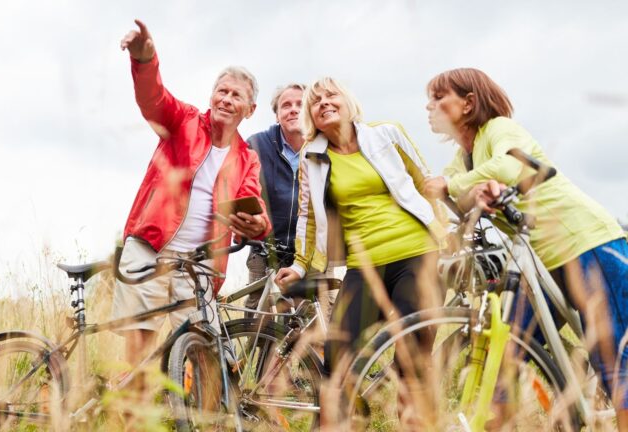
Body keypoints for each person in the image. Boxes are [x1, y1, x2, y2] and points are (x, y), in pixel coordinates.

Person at [423, 67, 628, 429]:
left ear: (469, 103)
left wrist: (453, 186)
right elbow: (466, 198)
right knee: (508, 348)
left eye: (439, 97)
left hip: (585, 240)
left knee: (610, 352)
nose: (429, 106)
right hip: (538, 261)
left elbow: (506, 166)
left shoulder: (501, 129)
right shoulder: (462, 158)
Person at [115, 19, 271, 368]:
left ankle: (205, 422)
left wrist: (257, 224)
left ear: (250, 109)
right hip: (152, 250)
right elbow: (153, 99)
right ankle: (131, 417)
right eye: (222, 91)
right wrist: (145, 62)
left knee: (210, 359)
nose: (226, 99)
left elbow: (254, 205)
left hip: (198, 265)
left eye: (236, 95)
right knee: (139, 354)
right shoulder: (183, 120)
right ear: (211, 96)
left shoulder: (247, 157)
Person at [274, 77, 444, 374]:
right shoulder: (311, 157)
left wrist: (447, 234)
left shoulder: (387, 134)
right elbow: (308, 216)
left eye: (331, 96)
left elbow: (426, 183)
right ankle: (338, 420)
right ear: (310, 116)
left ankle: (412, 417)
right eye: (316, 101)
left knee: (412, 352)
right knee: (337, 356)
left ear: (348, 102)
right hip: (363, 265)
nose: (324, 102)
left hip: (416, 253)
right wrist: (300, 265)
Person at [245, 83, 339, 315]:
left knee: (319, 319)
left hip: (314, 251)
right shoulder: (256, 145)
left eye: (300, 104)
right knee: (259, 319)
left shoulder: (326, 147)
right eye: (286, 105)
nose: (293, 110)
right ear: (277, 114)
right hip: (266, 250)